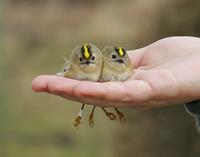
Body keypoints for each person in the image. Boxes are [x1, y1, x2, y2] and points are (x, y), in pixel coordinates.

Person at [32, 36, 200, 132]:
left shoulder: (108, 66)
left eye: (91, 59)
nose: (88, 63)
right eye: (83, 60)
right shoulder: (82, 66)